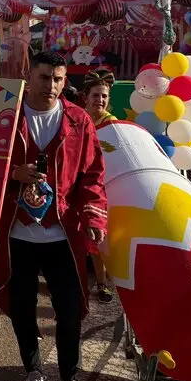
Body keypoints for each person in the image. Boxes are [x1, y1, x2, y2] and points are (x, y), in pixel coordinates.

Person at [0, 51, 107, 381]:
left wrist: (92, 214)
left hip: (62, 235)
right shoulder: (4, 117)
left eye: (58, 79)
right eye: (44, 78)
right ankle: (34, 372)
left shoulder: (78, 119)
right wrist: (12, 172)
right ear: (28, 75)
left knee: (70, 311)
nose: (52, 86)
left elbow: (92, 174)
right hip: (16, 234)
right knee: (22, 309)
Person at [80, 68, 116, 304]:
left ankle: (103, 283)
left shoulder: (111, 123)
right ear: (86, 97)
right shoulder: (79, 118)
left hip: (104, 186)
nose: (100, 100)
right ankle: (80, 283)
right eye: (96, 95)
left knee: (99, 238)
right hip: (79, 184)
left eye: (104, 96)